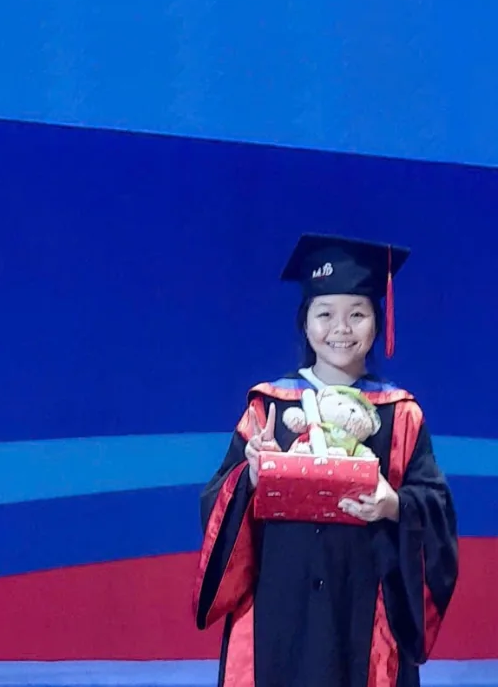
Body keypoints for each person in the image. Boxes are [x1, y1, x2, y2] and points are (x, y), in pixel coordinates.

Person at [193, 234, 459, 687]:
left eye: (357, 314)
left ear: (377, 323)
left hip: (362, 604)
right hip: (277, 605)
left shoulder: (400, 414)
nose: (341, 329)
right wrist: (250, 477)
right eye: (325, 314)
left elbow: (436, 506)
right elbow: (216, 502)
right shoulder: (268, 407)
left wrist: (395, 505)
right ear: (305, 323)